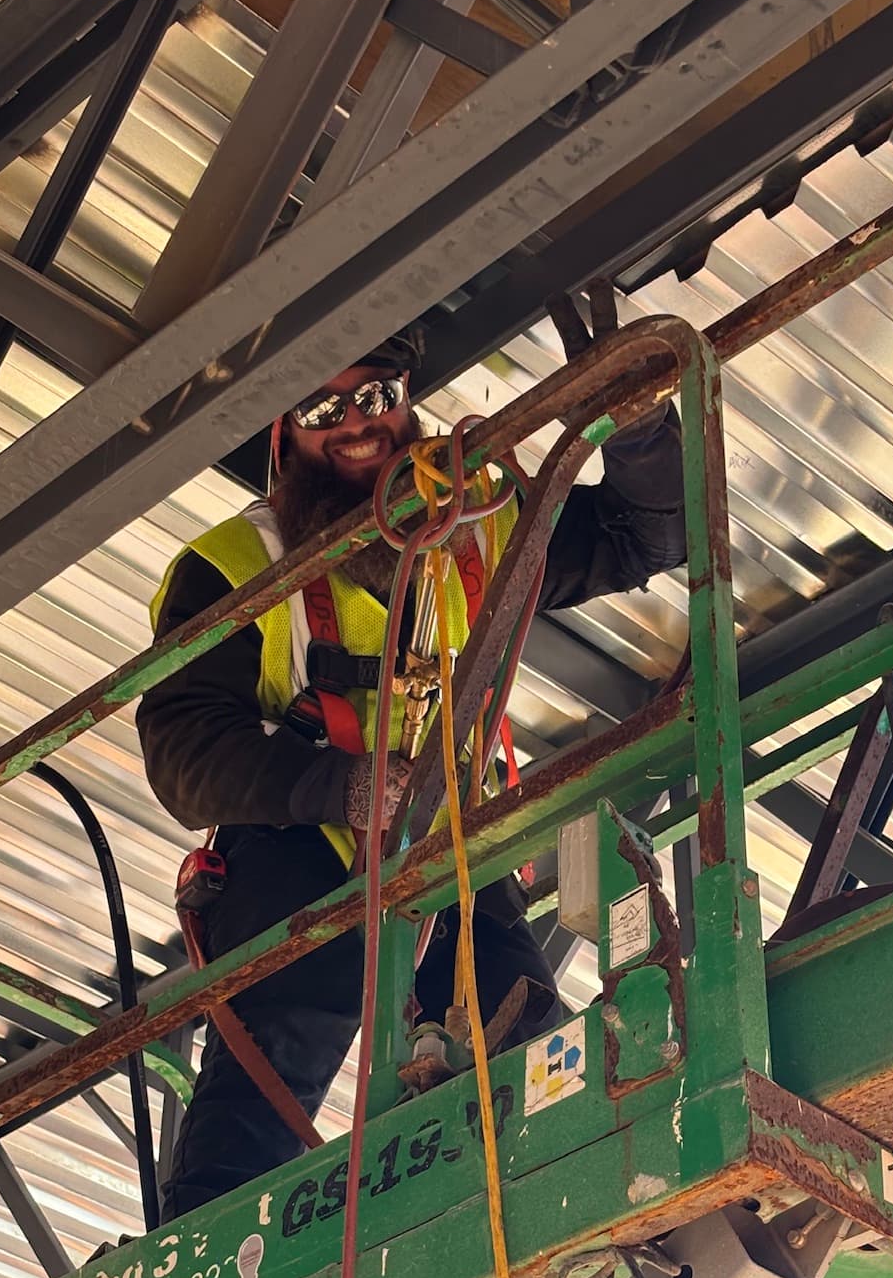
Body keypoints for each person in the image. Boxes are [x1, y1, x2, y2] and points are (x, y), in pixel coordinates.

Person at [139, 322, 685, 1218]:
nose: (355, 424)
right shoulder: (232, 569)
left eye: (375, 397)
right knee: (280, 1042)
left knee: (523, 1040)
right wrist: (342, 786)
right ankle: (205, 1253)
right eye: (322, 409)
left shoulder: (480, 522)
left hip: (449, 849)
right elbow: (183, 749)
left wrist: (638, 429)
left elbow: (644, 538)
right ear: (283, 431)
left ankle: (552, 1210)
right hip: (298, 846)